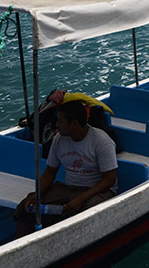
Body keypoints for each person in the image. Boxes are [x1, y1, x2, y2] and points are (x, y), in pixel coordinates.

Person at [14, 100, 118, 236]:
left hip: (96, 191)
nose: (56, 125)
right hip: (69, 188)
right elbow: (50, 172)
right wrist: (37, 194)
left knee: (86, 212)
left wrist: (81, 199)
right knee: (26, 207)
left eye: (60, 121)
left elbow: (109, 179)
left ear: (74, 124)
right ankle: (23, 241)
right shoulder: (59, 140)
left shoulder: (101, 142)